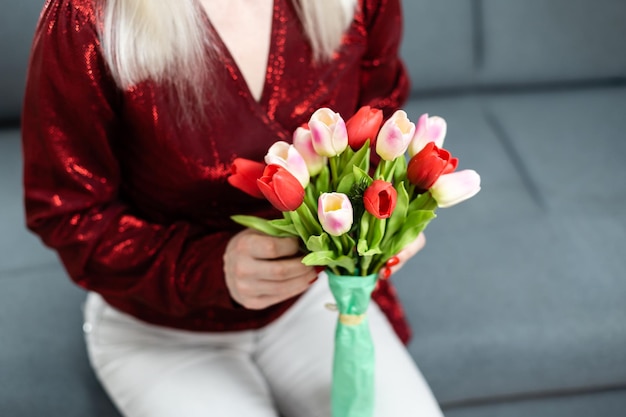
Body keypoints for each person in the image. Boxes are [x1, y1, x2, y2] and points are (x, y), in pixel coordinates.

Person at [21, 0, 443, 415]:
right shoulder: (84, 16)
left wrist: (384, 220)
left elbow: (378, 124)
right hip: (161, 330)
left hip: (314, 298)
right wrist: (209, 267)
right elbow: (66, 213)